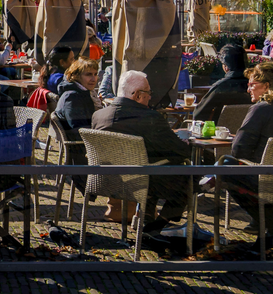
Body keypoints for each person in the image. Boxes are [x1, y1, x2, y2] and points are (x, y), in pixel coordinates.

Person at [92, 70, 192, 244]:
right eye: (148, 93)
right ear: (138, 95)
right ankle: (154, 227)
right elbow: (179, 150)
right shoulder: (150, 118)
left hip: (104, 181)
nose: (150, 98)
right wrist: (187, 143)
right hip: (141, 182)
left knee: (153, 166)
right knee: (189, 176)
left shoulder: (99, 116)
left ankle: (147, 222)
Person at [221, 61, 273, 245]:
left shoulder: (261, 109)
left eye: (252, 84)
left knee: (225, 167)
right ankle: (266, 241)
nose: (248, 89)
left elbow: (238, 149)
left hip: (265, 179)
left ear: (266, 86)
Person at [55, 58, 101, 194]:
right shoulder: (72, 97)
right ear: (75, 76)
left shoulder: (84, 93)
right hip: (83, 156)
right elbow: (79, 130)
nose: (93, 78)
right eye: (88, 74)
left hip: (86, 150)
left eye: (95, 74)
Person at [191, 44, 251, 123]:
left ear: (226, 67)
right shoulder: (254, 86)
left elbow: (199, 114)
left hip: (220, 132)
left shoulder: (220, 87)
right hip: (250, 130)